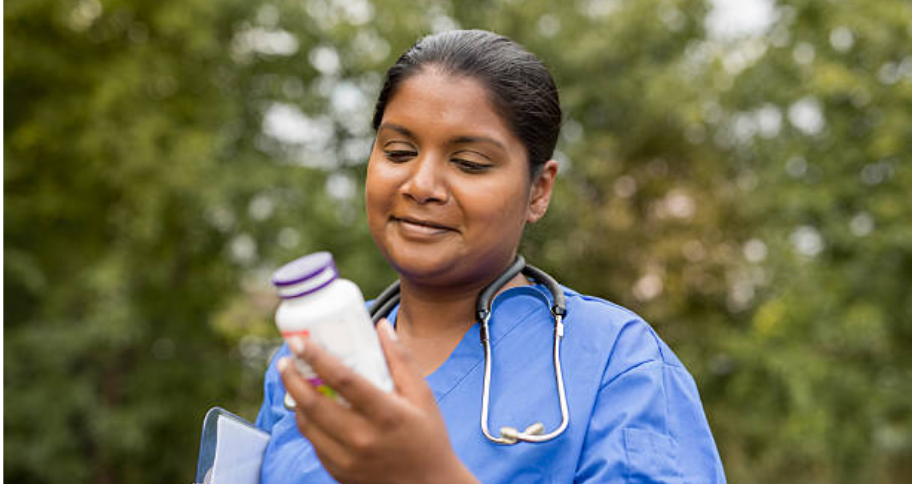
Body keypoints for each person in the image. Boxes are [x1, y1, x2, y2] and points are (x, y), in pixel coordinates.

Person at [255, 29, 727, 484]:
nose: (420, 185)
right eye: (399, 152)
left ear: (538, 191)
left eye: (469, 164)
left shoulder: (618, 364)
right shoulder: (305, 358)